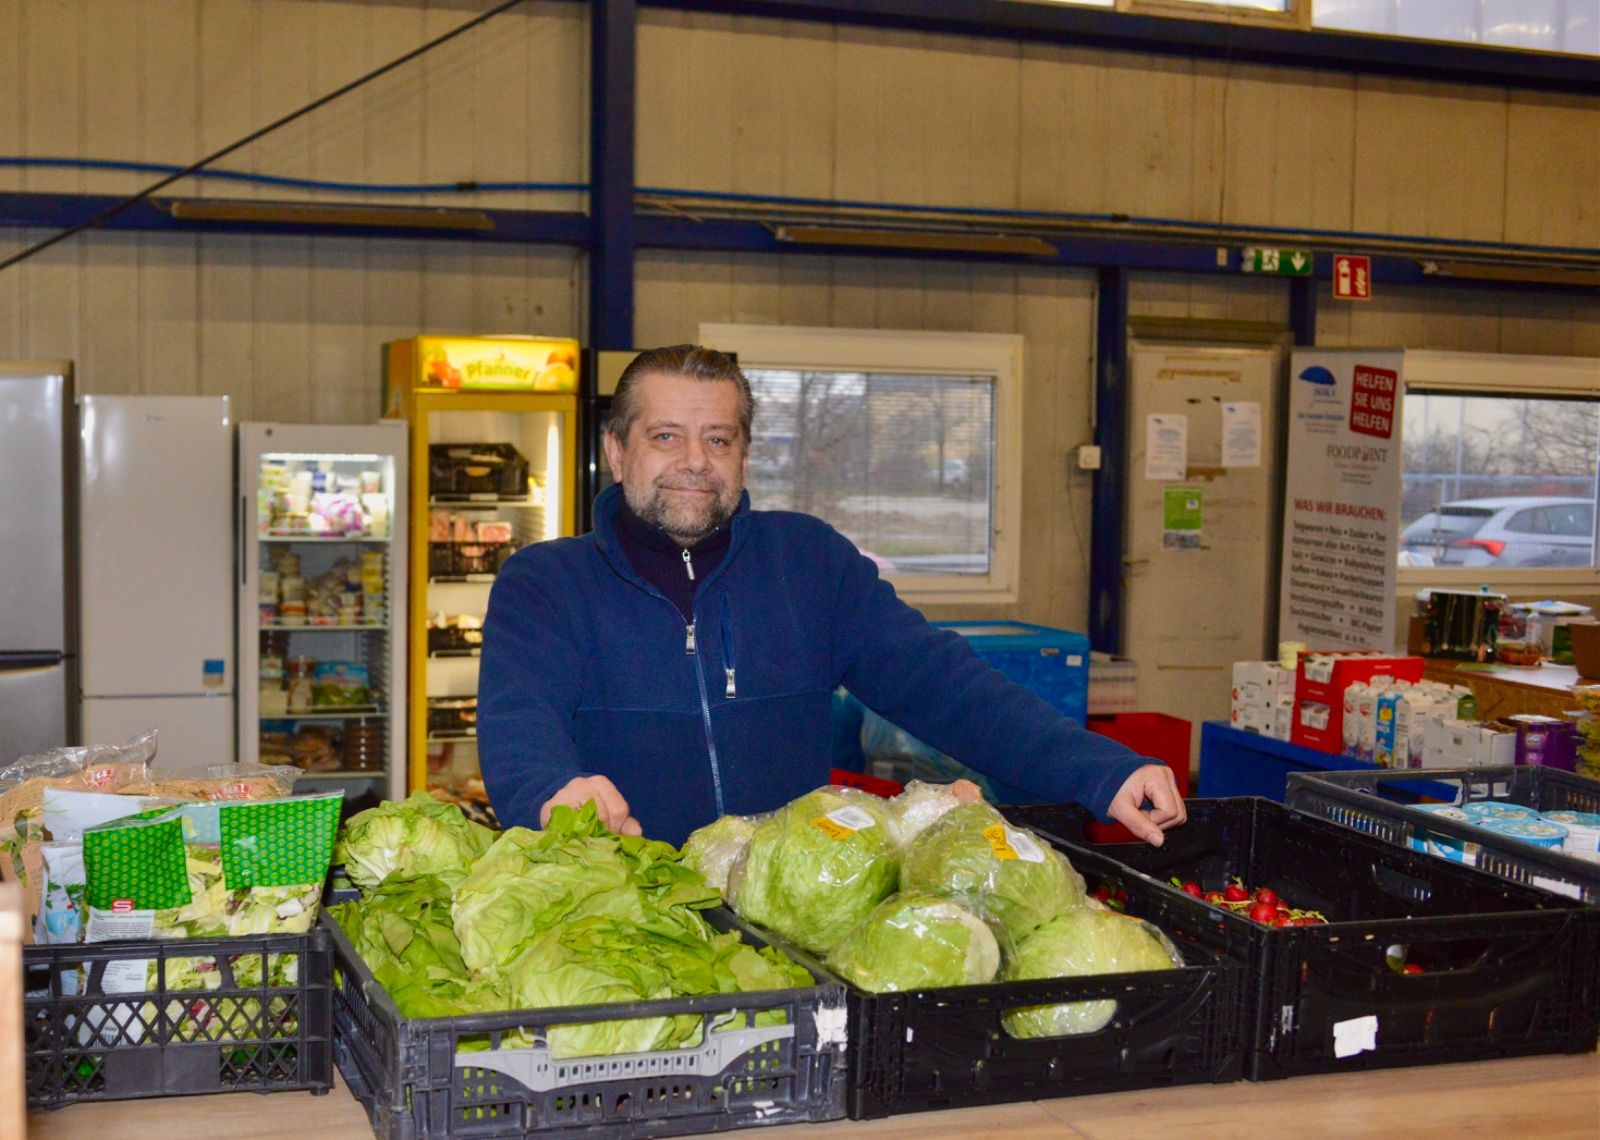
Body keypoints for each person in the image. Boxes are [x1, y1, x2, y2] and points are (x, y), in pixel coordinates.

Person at [478, 345, 1186, 848]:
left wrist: (1099, 769)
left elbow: (946, 686)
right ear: (617, 450)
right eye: (667, 436)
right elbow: (519, 729)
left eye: (718, 439)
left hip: (786, 925)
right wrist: (552, 791)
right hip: (624, 916)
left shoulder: (810, 563)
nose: (695, 461)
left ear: (744, 456)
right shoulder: (546, 584)